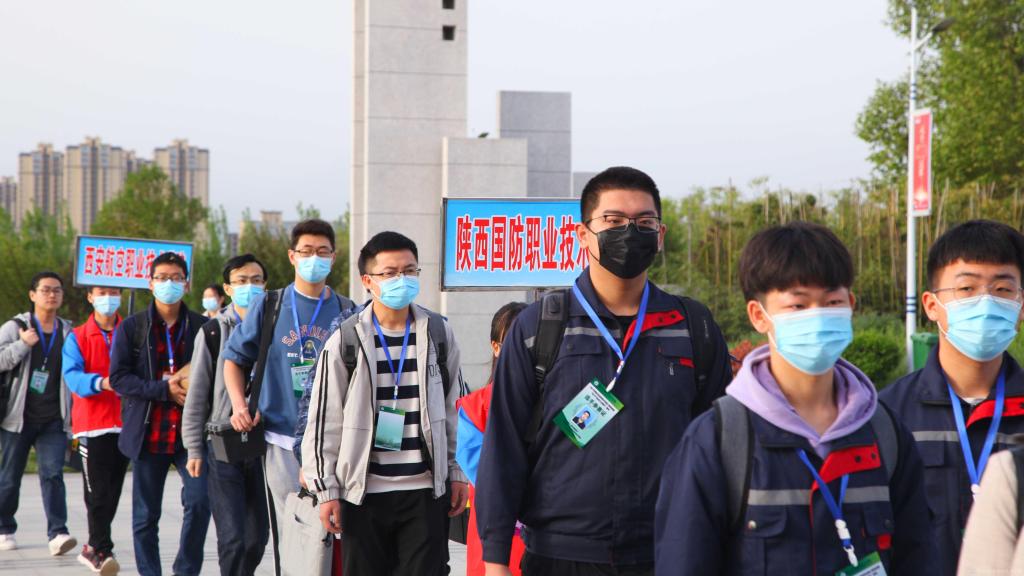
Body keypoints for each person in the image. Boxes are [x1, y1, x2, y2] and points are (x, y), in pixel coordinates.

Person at [477, 167, 732, 576]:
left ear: (660, 235)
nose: (629, 233)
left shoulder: (691, 326)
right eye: (613, 221)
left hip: (668, 550)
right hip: (561, 556)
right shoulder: (540, 326)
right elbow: (503, 445)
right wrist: (495, 559)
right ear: (582, 234)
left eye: (644, 222)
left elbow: (720, 444)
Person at [655, 222, 935, 575]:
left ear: (850, 305)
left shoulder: (885, 432)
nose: (817, 316)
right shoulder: (718, 440)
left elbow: (918, 557)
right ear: (759, 316)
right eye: (798, 305)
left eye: (832, 302)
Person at [302, 230, 470, 575]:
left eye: (409, 271)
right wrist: (326, 490)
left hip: (425, 491)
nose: (401, 280)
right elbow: (324, 422)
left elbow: (456, 407)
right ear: (368, 281)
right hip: (363, 494)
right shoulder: (346, 341)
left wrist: (457, 472)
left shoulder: (438, 333)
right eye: (390, 273)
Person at [880, 219, 1024, 576]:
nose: (986, 303)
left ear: (1021, 305)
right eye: (967, 288)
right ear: (931, 305)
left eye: (1003, 289)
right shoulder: (888, 415)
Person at [222, 219, 354, 576]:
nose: (315, 258)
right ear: (292, 256)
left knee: (336, 532)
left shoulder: (348, 309)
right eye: (306, 251)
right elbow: (233, 360)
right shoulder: (271, 305)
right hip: (280, 439)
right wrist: (239, 406)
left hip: (332, 443)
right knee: (292, 534)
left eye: (322, 252)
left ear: (333, 257)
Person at [109, 252, 210, 576]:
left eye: (176, 277)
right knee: (145, 516)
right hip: (149, 432)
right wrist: (163, 389)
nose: (169, 283)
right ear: (150, 284)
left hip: (190, 435)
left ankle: (186, 570)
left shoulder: (203, 327)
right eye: (162, 278)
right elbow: (119, 378)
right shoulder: (132, 327)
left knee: (199, 503)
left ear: (187, 283)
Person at [182, 254, 270, 576]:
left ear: (266, 285)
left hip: (264, 444)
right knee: (233, 538)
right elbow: (197, 394)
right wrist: (194, 448)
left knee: (256, 539)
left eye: (256, 280)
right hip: (223, 444)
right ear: (228, 289)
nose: (250, 287)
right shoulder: (213, 332)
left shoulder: (275, 328)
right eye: (241, 281)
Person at [0, 272, 76, 556]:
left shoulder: (68, 332)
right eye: (45, 290)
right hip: (17, 418)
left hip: (53, 419)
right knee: (10, 476)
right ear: (33, 295)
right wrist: (23, 344)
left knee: (53, 474)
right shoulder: (15, 327)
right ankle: (4, 528)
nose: (51, 295)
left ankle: (58, 532)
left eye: (57, 290)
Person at [455, 302, 527, 576]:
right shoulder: (474, 409)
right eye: (513, 342)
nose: (523, 351)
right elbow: (483, 474)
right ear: (495, 347)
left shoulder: (559, 400)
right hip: (497, 543)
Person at [62, 285, 125, 574]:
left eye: (113, 292)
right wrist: (101, 383)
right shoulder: (76, 336)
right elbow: (73, 377)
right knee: (97, 491)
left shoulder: (131, 332)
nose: (107, 298)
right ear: (90, 297)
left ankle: (93, 547)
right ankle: (101, 549)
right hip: (92, 425)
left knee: (112, 491)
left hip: (124, 424)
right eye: (101, 292)